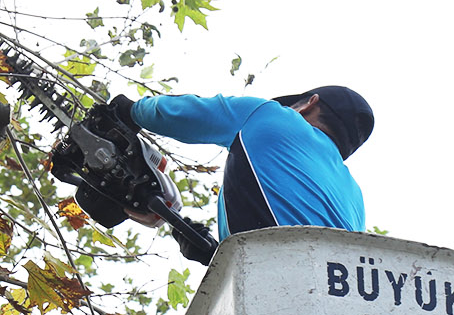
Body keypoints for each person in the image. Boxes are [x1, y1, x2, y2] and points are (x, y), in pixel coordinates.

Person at [100, 85, 372, 239]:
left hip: (275, 274)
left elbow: (187, 114)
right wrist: (213, 254)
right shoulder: (355, 197)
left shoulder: (275, 117)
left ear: (308, 104)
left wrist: (129, 110)